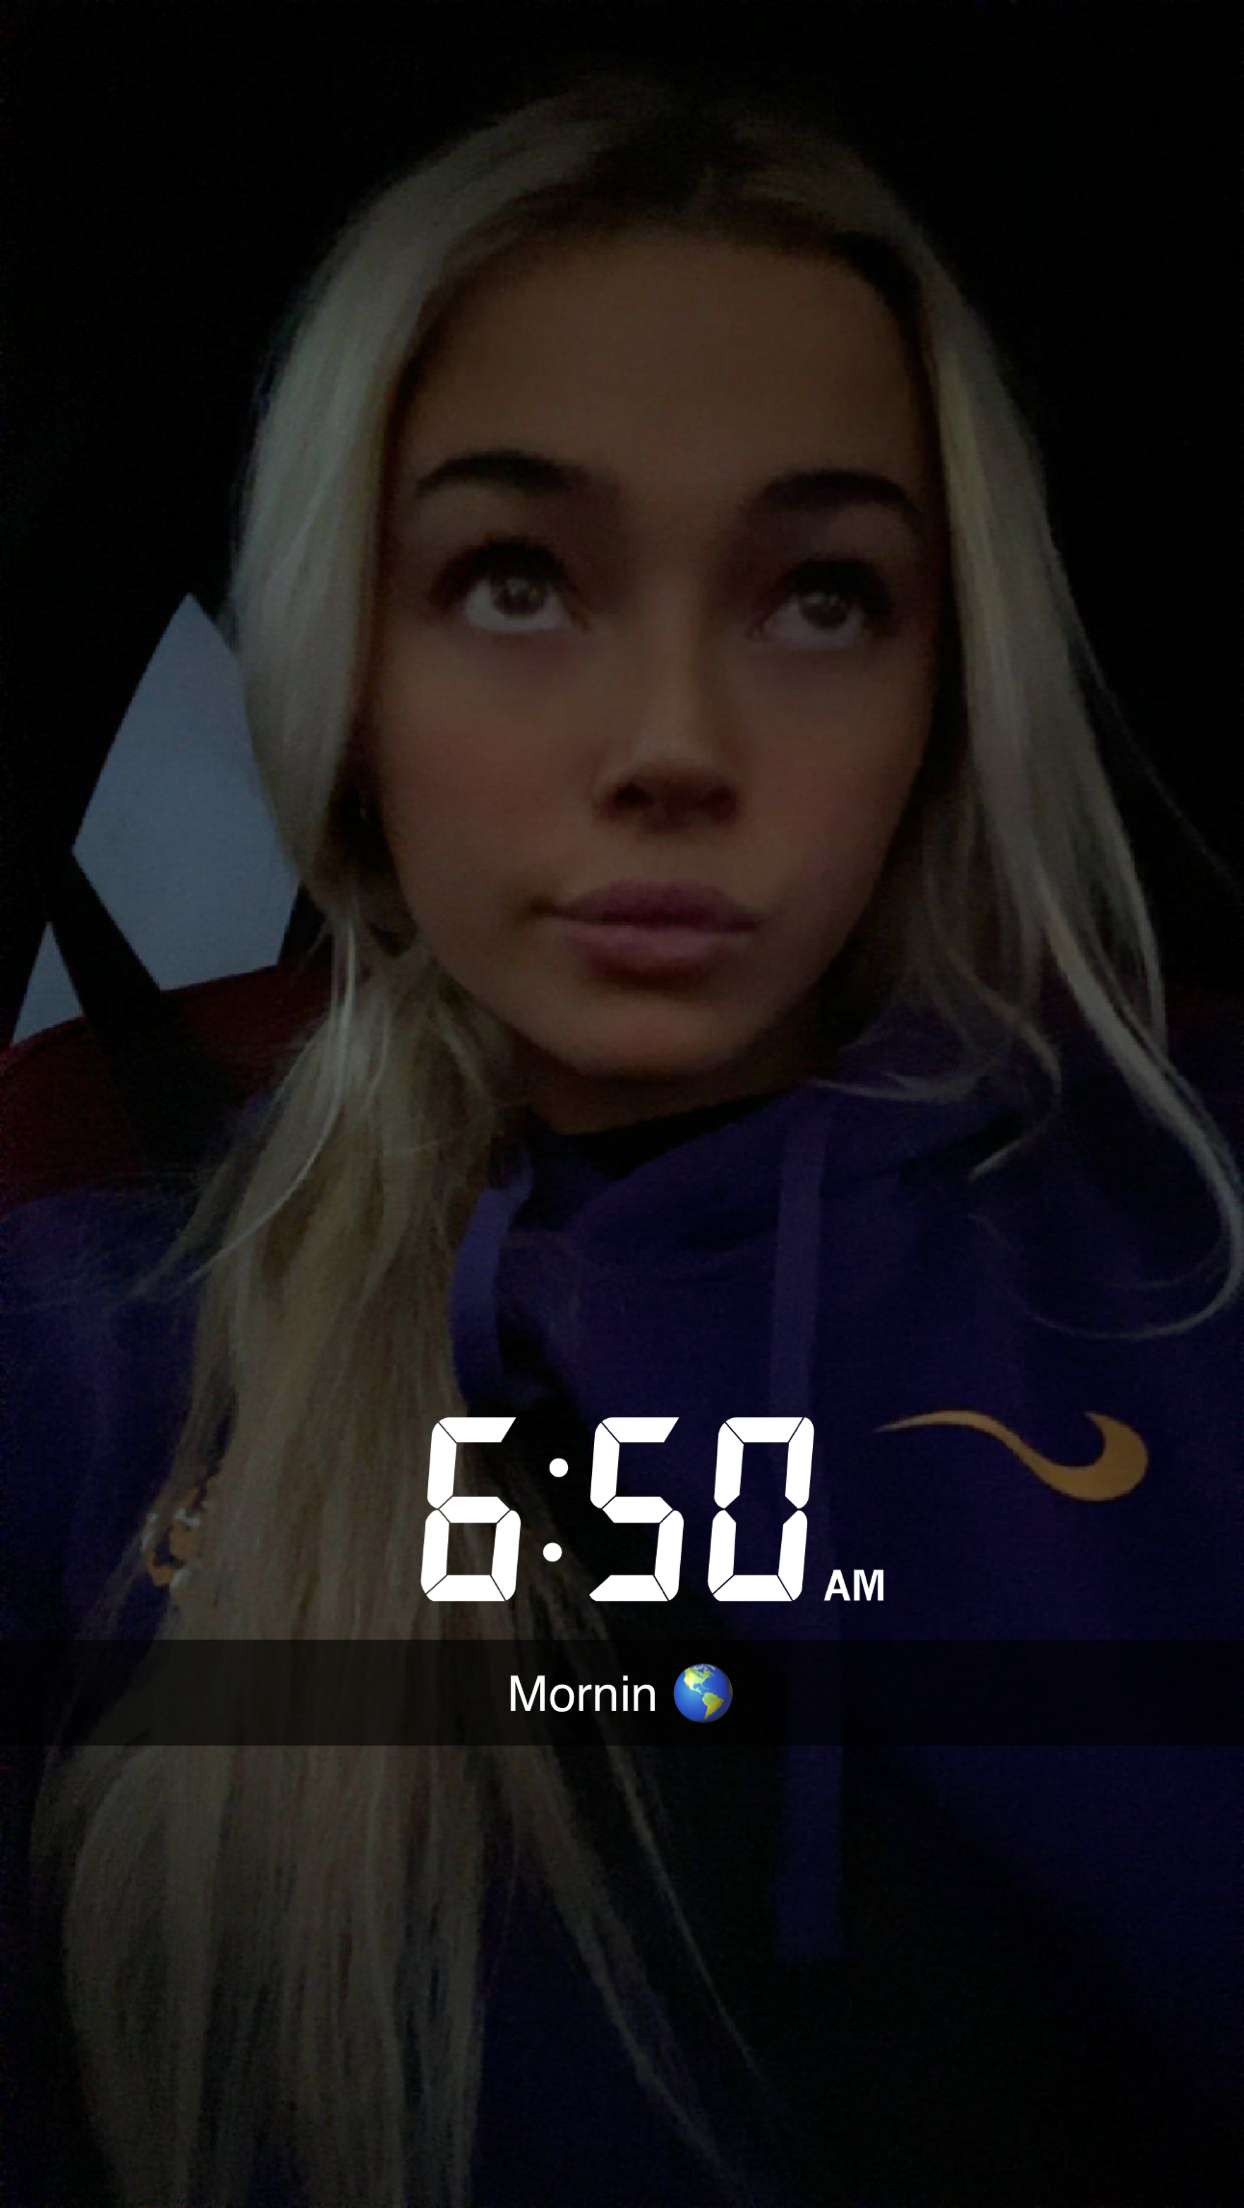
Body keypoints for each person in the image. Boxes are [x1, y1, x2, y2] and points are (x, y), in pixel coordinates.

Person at [3, 54, 1242, 2208]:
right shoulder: (86, 1344)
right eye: (513, 580)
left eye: (823, 596)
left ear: (948, 687)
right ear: (348, 668)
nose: (674, 745)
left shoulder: (1183, 1242)